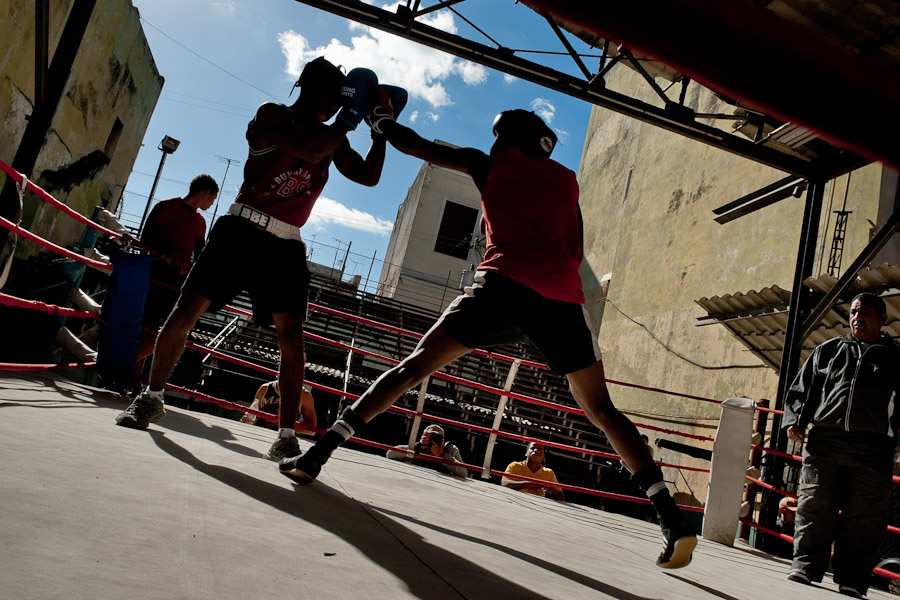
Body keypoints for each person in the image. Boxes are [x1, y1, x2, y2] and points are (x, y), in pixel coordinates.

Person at [279, 108, 697, 569]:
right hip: (560, 300)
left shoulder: (489, 163)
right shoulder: (568, 180)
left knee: (413, 367)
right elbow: (577, 243)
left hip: (501, 287)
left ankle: (318, 455)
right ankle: (671, 519)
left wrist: (380, 122)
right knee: (601, 409)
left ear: (504, 137)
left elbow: (419, 146)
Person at [116, 57, 391, 464]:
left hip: (286, 242)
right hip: (241, 228)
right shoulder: (273, 116)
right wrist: (348, 121)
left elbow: (368, 176)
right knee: (185, 312)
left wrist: (379, 130)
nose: (339, 105)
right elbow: (309, 148)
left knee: (292, 336)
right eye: (337, 96)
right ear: (320, 92)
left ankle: (285, 435)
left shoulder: (333, 136)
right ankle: (151, 397)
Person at [782, 292, 900, 598]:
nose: (858, 318)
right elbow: (802, 388)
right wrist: (794, 419)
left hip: (873, 449)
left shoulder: (896, 358)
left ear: (883, 319)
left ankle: (853, 580)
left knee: (865, 517)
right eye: (854, 313)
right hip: (825, 442)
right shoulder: (829, 350)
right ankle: (805, 567)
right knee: (815, 506)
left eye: (866, 313)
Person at [134, 174, 219, 377]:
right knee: (145, 325)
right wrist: (169, 255)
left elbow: (200, 254)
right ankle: (130, 373)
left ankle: (129, 367)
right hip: (155, 273)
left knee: (164, 330)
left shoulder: (200, 222)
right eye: (213, 198)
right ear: (206, 192)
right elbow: (147, 237)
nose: (212, 203)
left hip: (178, 281)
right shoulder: (168, 206)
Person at [386, 424, 467, 477]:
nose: (432, 440)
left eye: (436, 437)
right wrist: (418, 447)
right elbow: (390, 454)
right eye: (428, 436)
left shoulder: (450, 449)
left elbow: (464, 473)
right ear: (423, 437)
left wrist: (443, 456)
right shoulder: (418, 447)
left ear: (442, 441)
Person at [241, 380, 317, 435]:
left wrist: (285, 424)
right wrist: (247, 419)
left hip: (283, 439)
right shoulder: (265, 388)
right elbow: (252, 412)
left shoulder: (304, 395)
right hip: (258, 432)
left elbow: (312, 430)